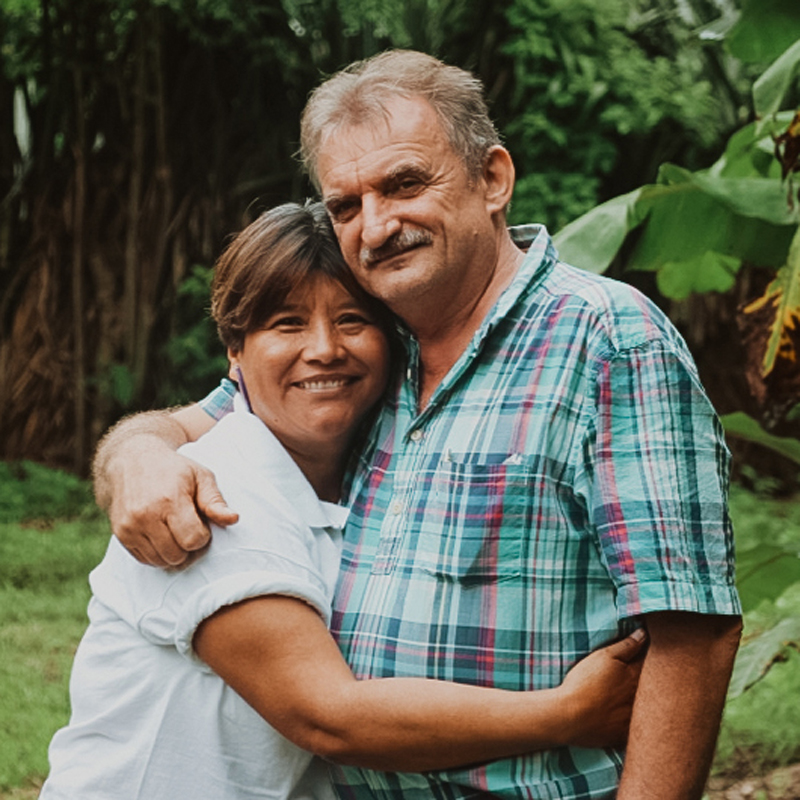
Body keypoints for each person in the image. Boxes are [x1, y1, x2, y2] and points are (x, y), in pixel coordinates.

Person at [94, 51, 743, 800]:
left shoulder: (605, 339)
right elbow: (186, 424)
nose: (377, 225)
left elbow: (691, 634)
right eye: (346, 205)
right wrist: (137, 457)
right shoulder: (367, 353)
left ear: (492, 179)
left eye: (404, 185)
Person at [41, 201, 645, 800]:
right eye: (287, 324)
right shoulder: (211, 495)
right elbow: (330, 716)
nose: (325, 348)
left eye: (353, 320)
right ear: (235, 352)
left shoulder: (376, 464)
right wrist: (568, 713)